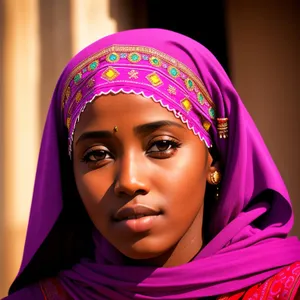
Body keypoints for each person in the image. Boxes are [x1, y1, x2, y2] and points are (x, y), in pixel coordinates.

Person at [3, 28, 300, 300]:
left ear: (215, 160)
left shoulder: (288, 289)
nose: (129, 181)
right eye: (97, 154)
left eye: (162, 145)